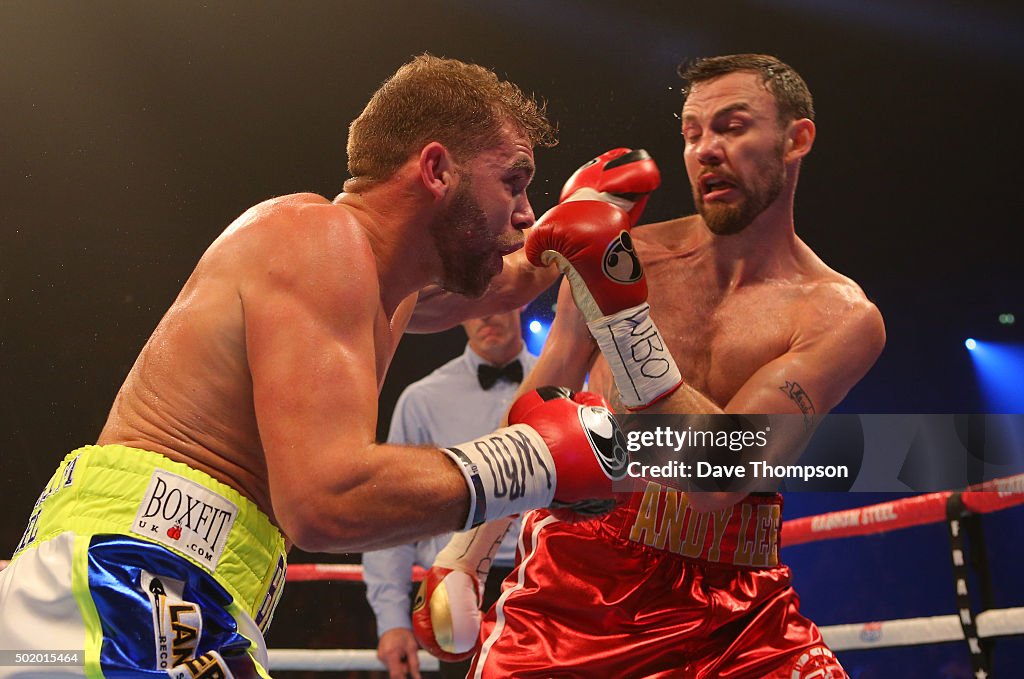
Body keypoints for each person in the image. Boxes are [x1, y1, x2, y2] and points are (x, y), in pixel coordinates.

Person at [0, 55, 628, 679]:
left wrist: (585, 223)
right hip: (131, 578)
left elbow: (508, 282)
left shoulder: (383, 287)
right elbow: (327, 500)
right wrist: (534, 463)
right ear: (437, 170)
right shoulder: (316, 237)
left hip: (178, 588)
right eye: (513, 184)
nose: (524, 213)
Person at [418, 54, 886, 678]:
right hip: (583, 586)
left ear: (797, 138)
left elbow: (720, 476)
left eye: (733, 126)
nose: (706, 150)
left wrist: (621, 314)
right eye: (693, 133)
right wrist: (466, 553)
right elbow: (541, 406)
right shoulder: (631, 252)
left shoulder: (839, 316)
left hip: (739, 608)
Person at [364, 309, 535, 679]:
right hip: (455, 587)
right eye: (476, 304)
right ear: (458, 312)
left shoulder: (564, 382)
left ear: (520, 300)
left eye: (498, 301)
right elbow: (393, 513)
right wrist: (391, 621)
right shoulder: (423, 400)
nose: (485, 316)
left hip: (545, 579)